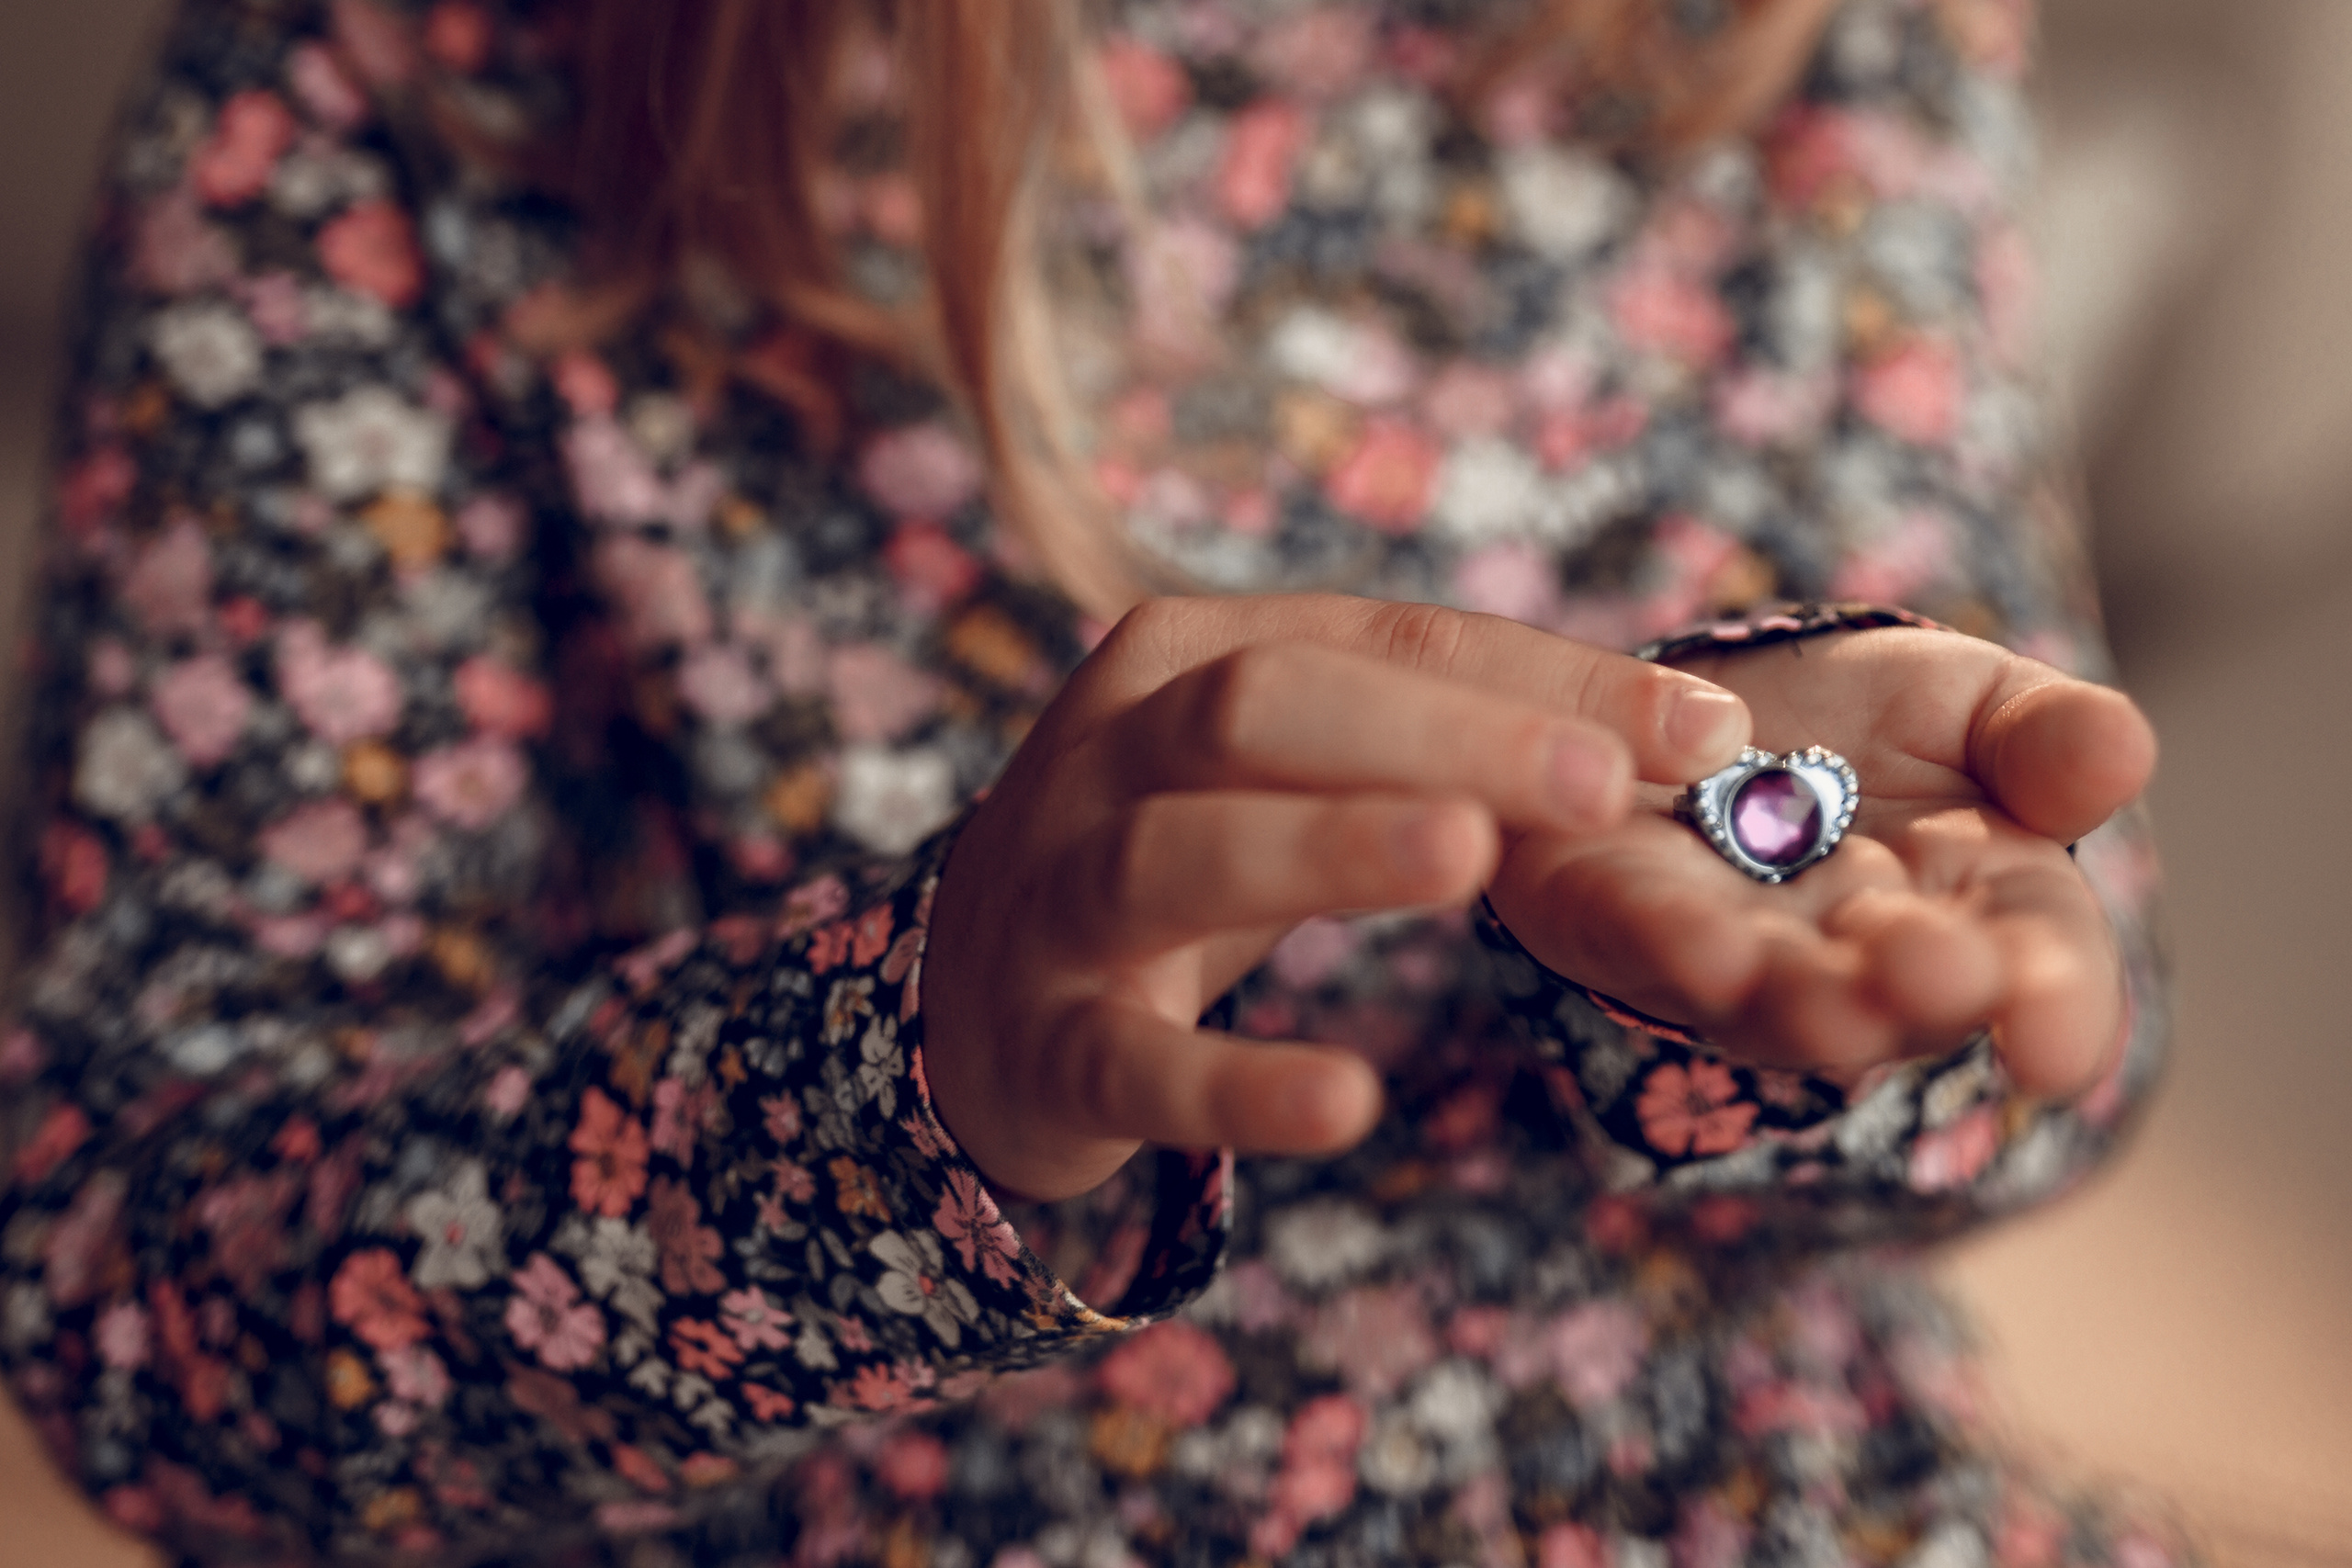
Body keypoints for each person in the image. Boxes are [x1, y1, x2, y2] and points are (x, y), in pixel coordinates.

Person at [0, 0, 2186, 1563]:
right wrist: (901, 1078)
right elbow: (136, 1313)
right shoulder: (391, 83)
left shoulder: (1834, 44)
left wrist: (1817, 977)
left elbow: (2048, 1017)